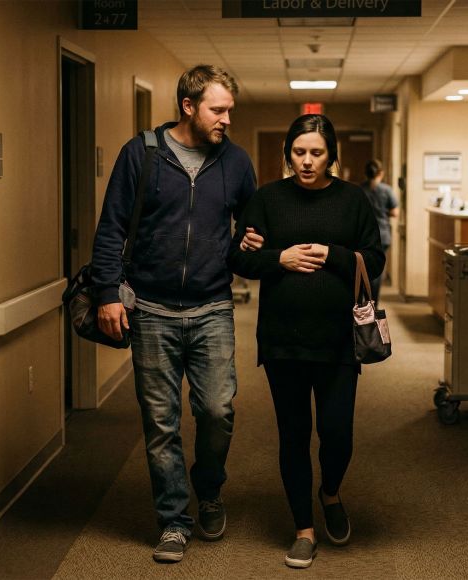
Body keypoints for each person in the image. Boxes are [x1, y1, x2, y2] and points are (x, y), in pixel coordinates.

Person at [91, 64, 258, 563]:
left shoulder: (236, 162)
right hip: (153, 310)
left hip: (211, 306)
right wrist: (106, 293)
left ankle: (209, 489)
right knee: (160, 422)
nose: (227, 119)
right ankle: (173, 520)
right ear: (188, 107)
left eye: (230, 110)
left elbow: (250, 234)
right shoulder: (140, 154)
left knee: (217, 411)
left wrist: (250, 244)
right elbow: (111, 228)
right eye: (218, 109)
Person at [228, 114, 384, 568]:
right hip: (283, 341)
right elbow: (240, 258)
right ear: (288, 154)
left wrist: (334, 255)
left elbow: (373, 259)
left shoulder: (353, 200)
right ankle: (303, 529)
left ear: (331, 155)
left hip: (338, 341)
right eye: (299, 152)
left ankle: (330, 492)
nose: (307, 161)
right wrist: (281, 257)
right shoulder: (267, 199)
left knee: (337, 435)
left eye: (316, 152)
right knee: (294, 435)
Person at [360, 159, 399, 301]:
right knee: (377, 270)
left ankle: (364, 299)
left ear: (366, 173)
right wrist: (383, 212)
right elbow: (395, 212)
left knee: (362, 268)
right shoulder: (387, 190)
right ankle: (373, 303)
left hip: (362, 236)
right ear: (381, 173)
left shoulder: (360, 189)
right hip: (382, 235)